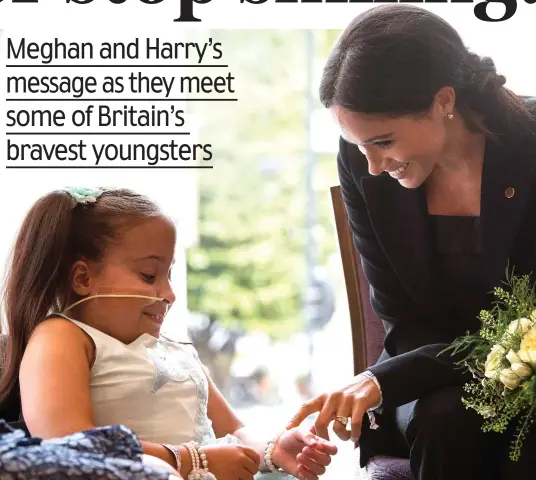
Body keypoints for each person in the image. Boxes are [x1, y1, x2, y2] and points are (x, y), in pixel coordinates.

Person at [287, 5, 536, 480]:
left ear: (443, 100)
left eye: (383, 141)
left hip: (527, 357)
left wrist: (383, 380)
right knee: (443, 420)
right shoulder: (363, 163)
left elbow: (530, 321)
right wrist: (389, 380)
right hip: (427, 372)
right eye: (360, 146)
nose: (374, 167)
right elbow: (401, 315)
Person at [0, 187, 337, 480]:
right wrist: (192, 461)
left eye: (169, 274)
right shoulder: (63, 336)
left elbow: (235, 431)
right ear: (83, 279)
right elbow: (66, 445)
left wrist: (275, 449)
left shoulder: (176, 351)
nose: (169, 294)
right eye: (149, 275)